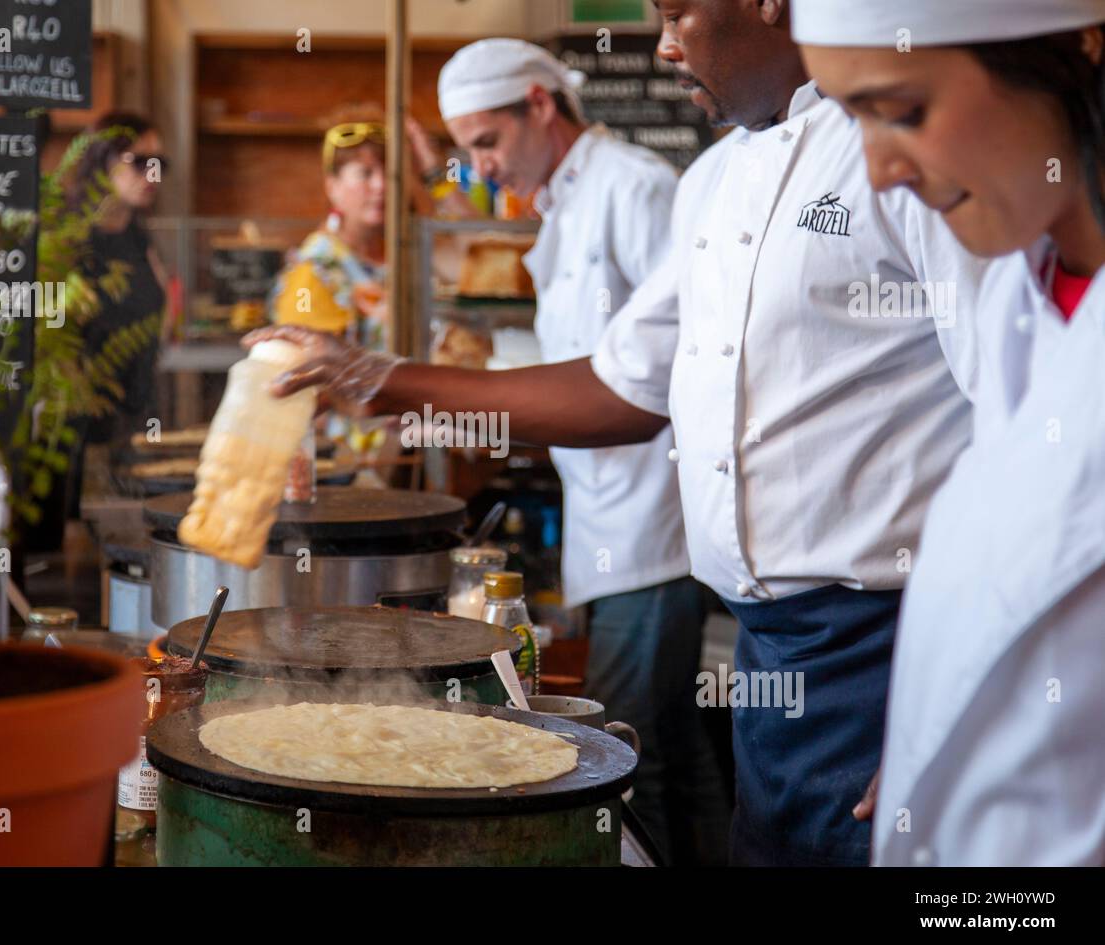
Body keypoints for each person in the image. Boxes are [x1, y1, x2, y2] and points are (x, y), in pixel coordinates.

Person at [248, 0, 997, 867]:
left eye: (679, 13)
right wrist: (381, 381)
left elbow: (1027, 430)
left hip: (889, 647)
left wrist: (971, 696)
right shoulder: (715, 180)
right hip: (767, 643)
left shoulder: (902, 148)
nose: (666, 45)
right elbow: (623, 386)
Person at [794, 0, 1105, 865]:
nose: (879, 172)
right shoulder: (1022, 293)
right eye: (849, 115)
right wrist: (934, 748)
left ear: (1076, 52)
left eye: (900, 111)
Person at [407, 38, 727, 866]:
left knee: (617, 759)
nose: (479, 168)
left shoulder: (636, 186)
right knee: (674, 751)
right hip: (609, 515)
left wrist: (443, 396)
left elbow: (674, 365)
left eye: (487, 142)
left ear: (540, 105)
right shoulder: (565, 201)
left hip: (657, 525)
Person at [62, 112, 171, 521]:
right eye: (140, 162)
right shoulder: (65, 240)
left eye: (161, 164)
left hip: (136, 425)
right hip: (79, 438)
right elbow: (47, 331)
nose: (153, 175)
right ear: (102, 161)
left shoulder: (138, 236)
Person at [270, 109, 388, 352]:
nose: (381, 185)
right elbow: (307, 366)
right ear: (332, 186)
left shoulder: (400, 252)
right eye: (365, 174)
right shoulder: (314, 270)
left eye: (389, 173)